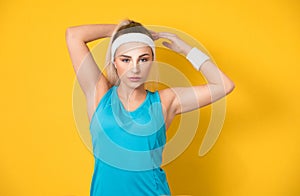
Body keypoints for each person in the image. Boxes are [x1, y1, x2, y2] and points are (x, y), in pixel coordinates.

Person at [65, 18, 235, 196]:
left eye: (143, 59)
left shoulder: (165, 101)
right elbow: (74, 35)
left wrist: (186, 50)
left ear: (152, 60)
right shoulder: (99, 94)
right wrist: (120, 31)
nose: (135, 68)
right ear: (115, 61)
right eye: (126, 59)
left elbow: (224, 85)